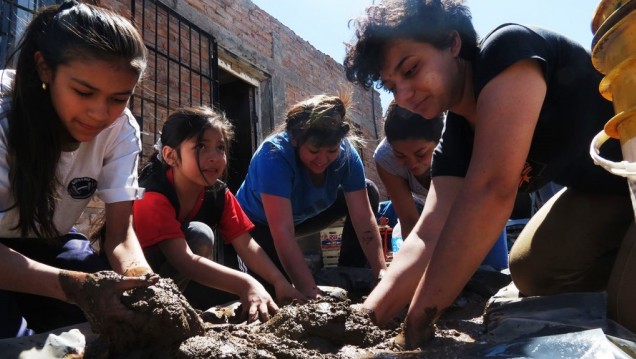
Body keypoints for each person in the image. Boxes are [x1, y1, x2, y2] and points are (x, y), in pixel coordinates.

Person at [344, 0, 634, 348]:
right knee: (531, 269)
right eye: (391, 87)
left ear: (452, 43)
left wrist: (416, 323)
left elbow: (493, 189)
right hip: (608, 193)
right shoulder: (456, 140)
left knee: (625, 312)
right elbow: (427, 235)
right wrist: (363, 318)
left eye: (410, 70)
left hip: (632, 172)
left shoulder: (507, 49)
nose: (403, 96)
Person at [0, 1, 158, 337]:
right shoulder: (5, 114)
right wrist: (76, 287)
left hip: (49, 239)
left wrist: (146, 285)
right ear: (44, 68)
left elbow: (119, 234)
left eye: (119, 98)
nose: (101, 114)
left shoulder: (121, 129)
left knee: (117, 324)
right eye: (84, 92)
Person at [132, 106, 306, 322]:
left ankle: (182, 305)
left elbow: (246, 244)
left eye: (220, 148)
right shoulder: (152, 196)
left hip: (180, 279)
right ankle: (152, 314)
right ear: (170, 155)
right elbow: (184, 261)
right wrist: (246, 283)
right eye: (201, 146)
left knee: (253, 291)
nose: (215, 157)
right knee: (200, 234)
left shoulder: (218, 192)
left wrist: (280, 282)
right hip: (135, 283)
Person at [236, 94, 388, 299]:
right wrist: (310, 294)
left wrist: (381, 275)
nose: (322, 159)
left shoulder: (346, 155)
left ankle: (352, 275)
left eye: (331, 151)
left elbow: (363, 218)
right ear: (296, 140)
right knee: (276, 291)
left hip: (303, 216)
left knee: (368, 191)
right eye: (314, 151)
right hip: (258, 223)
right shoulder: (274, 155)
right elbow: (282, 231)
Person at [374, 100, 444, 238]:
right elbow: (409, 220)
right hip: (422, 205)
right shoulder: (385, 158)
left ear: (439, 140)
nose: (412, 164)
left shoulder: (457, 142)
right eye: (400, 155)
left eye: (420, 154)